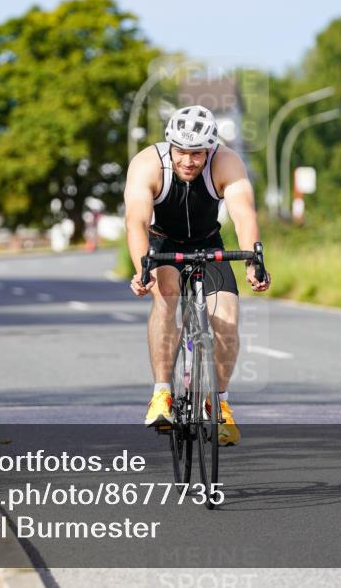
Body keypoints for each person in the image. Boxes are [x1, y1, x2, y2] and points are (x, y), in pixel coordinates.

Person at [125, 105, 271, 446]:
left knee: (228, 320)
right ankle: (162, 394)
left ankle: (218, 403)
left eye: (197, 153)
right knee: (166, 297)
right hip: (163, 244)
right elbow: (136, 222)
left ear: (210, 150)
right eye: (181, 152)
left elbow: (243, 214)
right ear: (170, 146)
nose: (188, 161)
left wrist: (253, 262)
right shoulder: (147, 164)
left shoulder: (227, 162)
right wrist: (142, 269)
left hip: (208, 244)